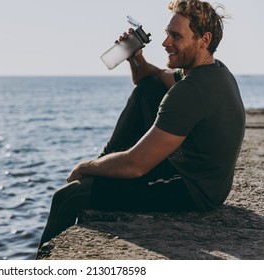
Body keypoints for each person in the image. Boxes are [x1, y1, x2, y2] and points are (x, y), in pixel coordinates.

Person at [37, 0, 245, 253]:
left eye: (176, 36)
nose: (166, 42)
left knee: (66, 198)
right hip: (209, 179)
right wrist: (135, 59)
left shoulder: (190, 92)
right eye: (167, 33)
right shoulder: (213, 71)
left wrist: (86, 167)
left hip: (193, 189)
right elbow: (153, 77)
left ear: (204, 39)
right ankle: (101, 170)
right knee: (148, 88)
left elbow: (135, 166)